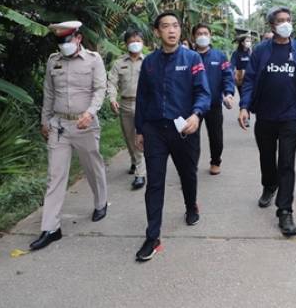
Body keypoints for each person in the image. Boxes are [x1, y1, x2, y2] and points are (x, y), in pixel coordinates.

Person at [134, 13, 211, 262]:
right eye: (165, 26)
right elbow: (142, 98)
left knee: (187, 174)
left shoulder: (192, 59)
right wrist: (139, 130)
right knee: (154, 183)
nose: (171, 30)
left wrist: (196, 114)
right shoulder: (150, 63)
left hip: (184, 129)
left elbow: (203, 92)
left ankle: (191, 205)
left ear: (180, 30)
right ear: (157, 32)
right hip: (155, 129)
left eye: (175, 26)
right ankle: (152, 237)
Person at [30, 21, 108, 251]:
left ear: (78, 38)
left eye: (67, 40)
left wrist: (90, 113)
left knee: (92, 167)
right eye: (60, 41)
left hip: (85, 125)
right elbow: (49, 93)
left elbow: (100, 90)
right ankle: (51, 228)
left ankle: (101, 202)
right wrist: (45, 121)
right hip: (59, 125)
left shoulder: (93, 59)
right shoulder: (53, 61)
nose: (64, 44)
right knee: (54, 176)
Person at [238, 6, 296, 237]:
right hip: (266, 115)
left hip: (290, 116)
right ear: (272, 25)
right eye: (280, 20)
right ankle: (269, 186)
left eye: (288, 19)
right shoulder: (261, 51)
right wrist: (244, 106)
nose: (285, 23)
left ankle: (285, 211)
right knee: (267, 157)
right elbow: (249, 80)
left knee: (287, 163)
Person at [192, 23, 235, 175]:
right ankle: (191, 164)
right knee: (191, 137)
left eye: (205, 33)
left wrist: (228, 94)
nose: (202, 36)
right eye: (199, 34)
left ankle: (215, 161)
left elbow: (227, 76)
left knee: (216, 136)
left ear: (210, 36)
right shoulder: (189, 56)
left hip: (214, 104)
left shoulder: (219, 56)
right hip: (193, 105)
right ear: (194, 37)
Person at [108, 29, 146, 190]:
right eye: (131, 41)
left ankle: (140, 173)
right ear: (126, 44)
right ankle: (134, 160)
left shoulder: (148, 62)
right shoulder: (119, 63)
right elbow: (111, 82)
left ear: (143, 43)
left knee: (140, 138)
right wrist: (112, 99)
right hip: (125, 104)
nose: (135, 44)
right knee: (129, 137)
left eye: (138, 40)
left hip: (143, 104)